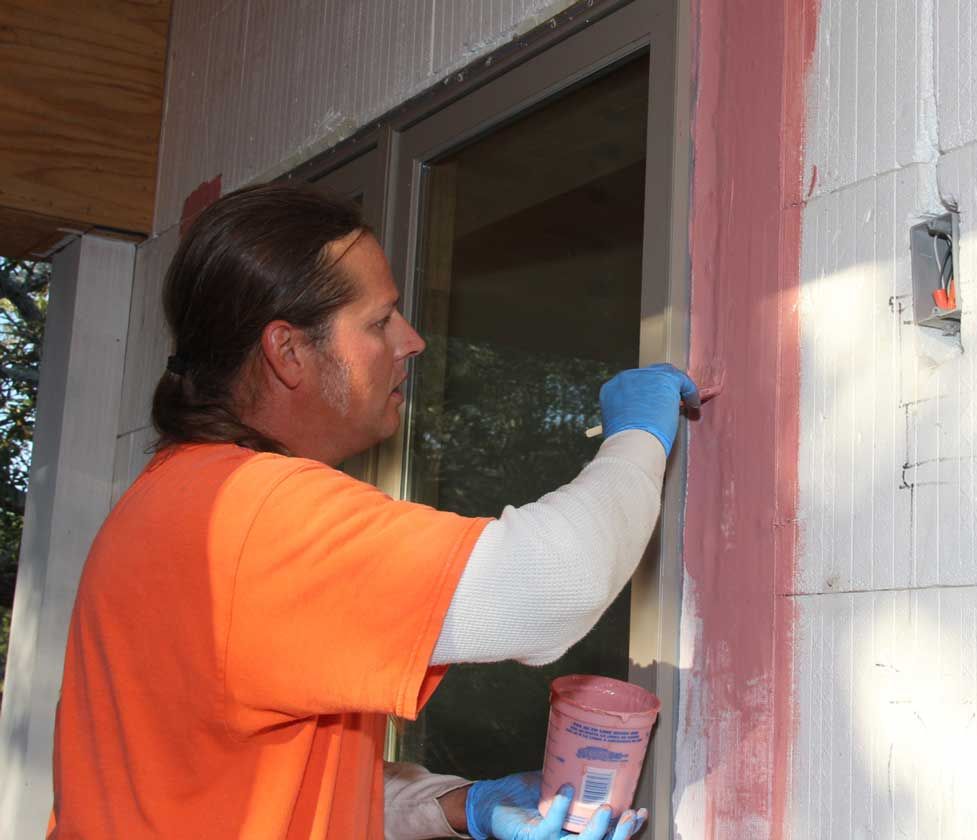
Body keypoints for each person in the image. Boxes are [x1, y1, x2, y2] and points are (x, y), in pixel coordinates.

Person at [48, 182, 699, 840]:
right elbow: (556, 584)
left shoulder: (174, 500)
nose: (411, 341)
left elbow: (256, 780)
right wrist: (637, 440)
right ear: (289, 352)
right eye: (380, 321)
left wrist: (453, 805)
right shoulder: (257, 514)